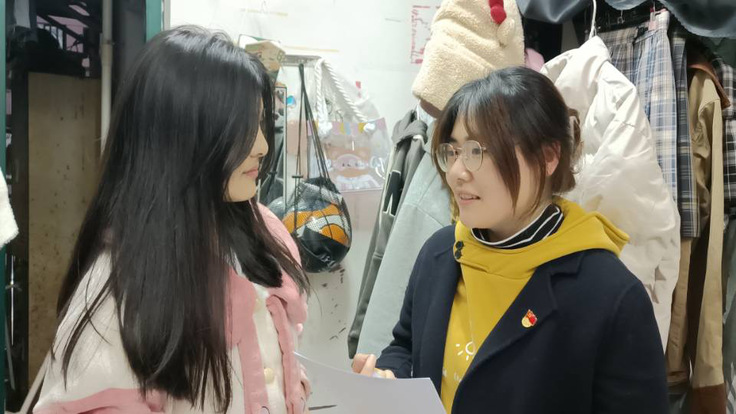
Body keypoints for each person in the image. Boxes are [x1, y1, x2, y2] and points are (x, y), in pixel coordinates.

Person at [353, 66, 668, 414]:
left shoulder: (611, 295)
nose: (456, 172)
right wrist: (390, 377)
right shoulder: (440, 253)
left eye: (477, 151)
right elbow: (405, 345)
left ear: (547, 157)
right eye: (453, 152)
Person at [34, 26, 310, 414]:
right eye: (242, 129)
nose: (262, 146)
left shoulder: (263, 239)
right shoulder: (122, 287)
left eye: (261, 123)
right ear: (180, 138)